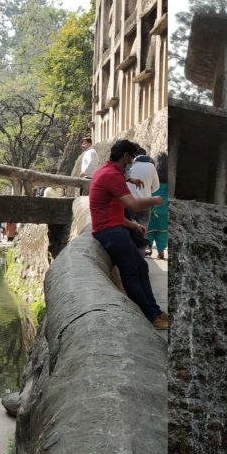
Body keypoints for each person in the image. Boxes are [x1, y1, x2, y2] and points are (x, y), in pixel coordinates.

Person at [90, 139, 168, 329]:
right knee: (131, 272)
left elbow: (110, 209)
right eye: (131, 158)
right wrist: (155, 200)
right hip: (109, 232)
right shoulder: (112, 176)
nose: (132, 163)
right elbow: (132, 204)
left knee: (141, 266)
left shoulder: (107, 171)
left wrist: (132, 224)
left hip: (112, 227)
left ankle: (156, 311)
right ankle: (152, 316)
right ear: (125, 157)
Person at [147, 152, 169, 260]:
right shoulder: (170, 178)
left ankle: (148, 248)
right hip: (165, 209)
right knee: (163, 233)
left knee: (149, 230)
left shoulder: (152, 176)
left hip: (152, 207)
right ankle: (161, 251)